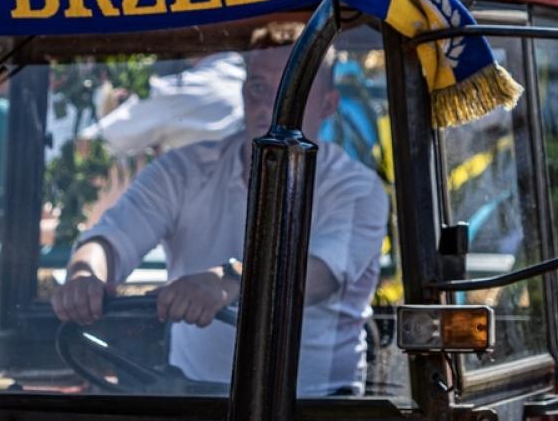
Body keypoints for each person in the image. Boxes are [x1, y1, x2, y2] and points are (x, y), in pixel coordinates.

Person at [51, 26, 390, 396]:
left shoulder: (356, 189)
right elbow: (112, 237)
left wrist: (227, 281)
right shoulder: (183, 171)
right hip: (191, 398)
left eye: (290, 92)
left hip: (318, 403)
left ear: (327, 104)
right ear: (243, 93)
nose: (269, 104)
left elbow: (317, 276)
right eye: (258, 88)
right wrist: (85, 278)